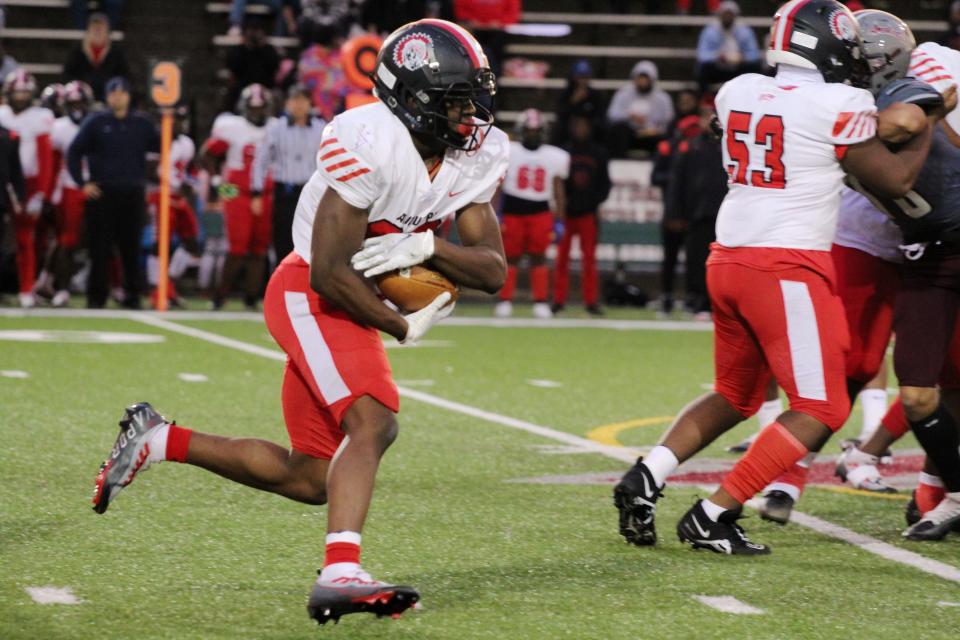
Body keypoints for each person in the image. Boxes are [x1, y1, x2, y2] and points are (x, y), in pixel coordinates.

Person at [91, 19, 508, 625]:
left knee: (312, 476)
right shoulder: (368, 138)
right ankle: (341, 574)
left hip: (348, 300)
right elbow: (329, 272)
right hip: (310, 291)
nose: (473, 114)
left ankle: (159, 439)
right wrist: (400, 326)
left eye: (475, 98)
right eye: (457, 101)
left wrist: (426, 249)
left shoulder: (472, 157)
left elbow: (493, 272)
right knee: (374, 421)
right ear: (413, 100)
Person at [612, 0, 953, 555]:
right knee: (822, 407)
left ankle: (647, 475)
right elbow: (894, 178)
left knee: (735, 395)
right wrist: (929, 116)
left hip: (728, 258)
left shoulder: (739, 88)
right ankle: (714, 512)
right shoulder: (840, 101)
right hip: (785, 264)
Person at [67, 76, 160, 309]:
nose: (117, 97)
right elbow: (74, 152)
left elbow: (163, 145)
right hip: (103, 193)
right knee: (99, 248)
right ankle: (96, 296)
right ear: (107, 96)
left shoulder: (142, 124)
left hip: (132, 192)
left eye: (122, 93)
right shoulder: (96, 122)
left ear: (129, 96)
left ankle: (132, 295)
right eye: (113, 93)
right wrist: (83, 183)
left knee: (131, 248)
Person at [202, 84, 274, 310]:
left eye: (261, 108)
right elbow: (207, 154)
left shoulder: (276, 127)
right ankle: (220, 295)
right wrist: (217, 184)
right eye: (253, 108)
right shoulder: (232, 127)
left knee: (260, 248)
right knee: (237, 247)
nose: (257, 113)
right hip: (234, 190)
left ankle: (251, 297)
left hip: (266, 193)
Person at [495, 108, 569, 319]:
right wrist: (495, 213)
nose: (532, 135)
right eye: (529, 130)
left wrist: (559, 220)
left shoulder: (554, 156)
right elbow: (498, 185)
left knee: (539, 257)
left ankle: (540, 300)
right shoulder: (510, 150)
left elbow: (558, 190)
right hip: (513, 209)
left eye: (536, 131)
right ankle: (505, 299)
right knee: (511, 257)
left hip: (540, 210)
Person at [664, 101, 727, 317]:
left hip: (723, 214)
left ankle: (716, 302)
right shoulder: (690, 147)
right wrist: (675, 213)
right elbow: (677, 182)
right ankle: (697, 300)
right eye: (704, 118)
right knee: (696, 260)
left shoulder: (728, 146)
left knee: (721, 262)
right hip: (697, 212)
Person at [252, 84, 325, 262]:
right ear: (287, 104)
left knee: (313, 236)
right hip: (285, 191)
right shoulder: (276, 128)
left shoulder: (322, 127)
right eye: (294, 100)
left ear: (310, 103)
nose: (299, 105)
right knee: (283, 237)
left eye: (303, 100)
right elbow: (261, 161)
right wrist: (257, 192)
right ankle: (281, 278)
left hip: (312, 192)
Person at [0, 70, 55, 308]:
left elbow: (45, 159)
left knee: (25, 238)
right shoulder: (2, 114)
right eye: (17, 92)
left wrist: (40, 193)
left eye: (25, 92)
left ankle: (25, 289)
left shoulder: (40, 116)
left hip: (29, 182)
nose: (20, 97)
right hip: (3, 181)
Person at [41, 81, 93, 308]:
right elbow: (51, 163)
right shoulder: (59, 127)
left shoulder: (95, 123)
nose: (77, 107)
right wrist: (49, 194)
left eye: (81, 102)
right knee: (67, 241)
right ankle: (59, 288)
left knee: (91, 240)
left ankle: (47, 281)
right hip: (69, 188)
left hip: (93, 186)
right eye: (72, 103)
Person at [552, 114, 610, 316]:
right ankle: (558, 300)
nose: (580, 130)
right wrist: (562, 205)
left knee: (589, 260)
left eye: (584, 125)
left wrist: (591, 202)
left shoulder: (598, 153)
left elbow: (605, 184)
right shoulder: (564, 152)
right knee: (561, 259)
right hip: (566, 214)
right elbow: (557, 182)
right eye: (577, 125)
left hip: (587, 214)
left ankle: (591, 301)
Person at [606, 60, 674, 157]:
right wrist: (629, 116)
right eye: (640, 78)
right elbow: (612, 114)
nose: (642, 82)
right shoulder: (623, 94)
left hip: (652, 135)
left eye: (645, 79)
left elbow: (668, 120)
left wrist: (656, 129)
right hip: (630, 134)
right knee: (618, 131)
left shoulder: (662, 98)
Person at [695, 1, 762, 91]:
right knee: (703, 70)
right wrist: (718, 57)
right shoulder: (710, 31)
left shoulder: (744, 31)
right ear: (719, 15)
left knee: (755, 68)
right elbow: (702, 55)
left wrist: (743, 58)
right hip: (718, 68)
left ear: (735, 15)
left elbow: (754, 54)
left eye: (730, 14)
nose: (727, 17)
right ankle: (705, 98)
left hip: (738, 69)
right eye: (725, 14)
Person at [63, 13, 129, 102]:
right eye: (94, 28)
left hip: (109, 97)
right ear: (88, 30)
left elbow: (124, 75)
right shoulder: (78, 50)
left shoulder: (116, 51)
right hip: (82, 98)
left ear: (107, 30)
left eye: (101, 28)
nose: (98, 31)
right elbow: (68, 74)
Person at [224, 19, 280, 112]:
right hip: (242, 88)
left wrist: (261, 47)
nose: (254, 36)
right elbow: (233, 67)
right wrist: (247, 47)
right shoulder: (238, 50)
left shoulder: (269, 50)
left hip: (266, 87)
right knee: (232, 91)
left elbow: (274, 67)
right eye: (251, 33)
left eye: (257, 32)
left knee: (277, 94)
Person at [551, 59, 606, 147]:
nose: (582, 81)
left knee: (602, 129)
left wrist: (586, 124)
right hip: (569, 126)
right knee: (559, 128)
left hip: (589, 127)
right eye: (580, 77)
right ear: (573, 77)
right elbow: (560, 114)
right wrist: (573, 101)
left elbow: (601, 115)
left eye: (585, 77)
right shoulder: (565, 94)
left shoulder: (595, 95)